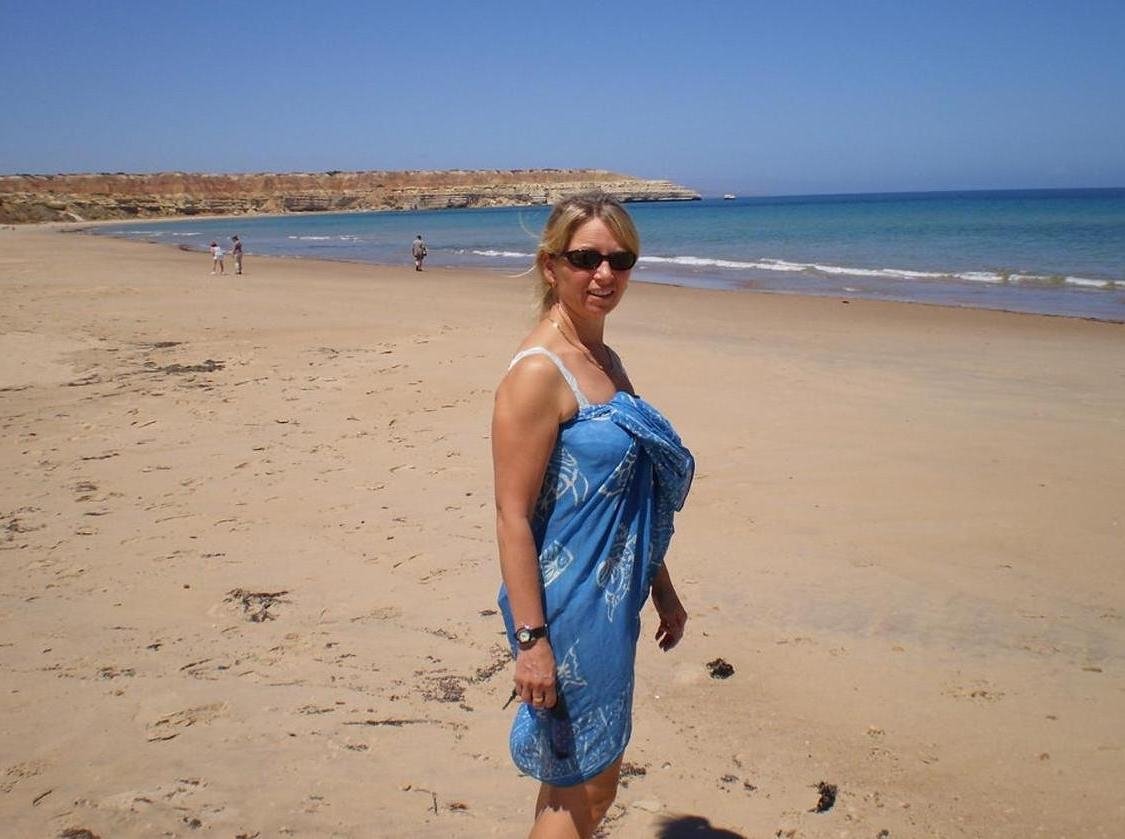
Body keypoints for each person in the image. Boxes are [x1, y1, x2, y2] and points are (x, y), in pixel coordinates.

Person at [492, 191, 694, 838]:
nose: (604, 274)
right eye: (585, 258)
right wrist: (532, 643)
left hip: (612, 602)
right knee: (581, 784)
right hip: (566, 607)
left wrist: (661, 587)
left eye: (620, 259)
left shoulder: (605, 361)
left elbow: (629, 493)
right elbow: (511, 516)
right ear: (550, 265)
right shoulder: (538, 373)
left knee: (586, 775)